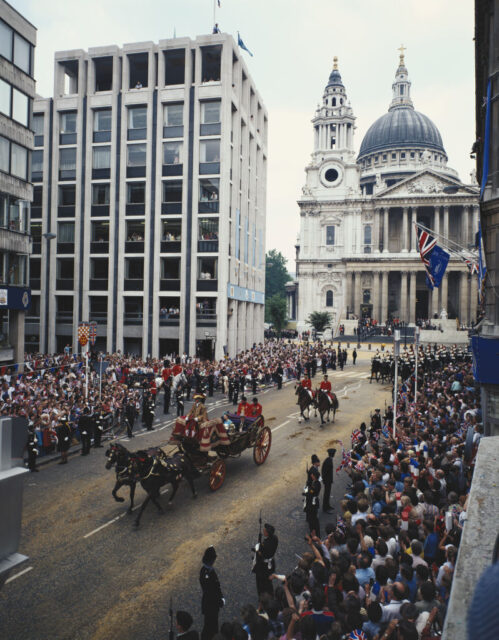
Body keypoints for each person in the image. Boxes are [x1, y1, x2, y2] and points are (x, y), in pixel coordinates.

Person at [200, 546, 224, 640]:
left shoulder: (208, 570)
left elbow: (216, 586)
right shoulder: (206, 574)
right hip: (210, 605)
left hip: (211, 604)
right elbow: (211, 593)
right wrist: (220, 601)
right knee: (210, 626)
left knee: (212, 624)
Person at [252, 523, 278, 596]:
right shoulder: (275, 538)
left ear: (267, 533)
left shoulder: (265, 544)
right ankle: (271, 593)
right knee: (268, 581)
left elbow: (261, 554)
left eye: (264, 531)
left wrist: (257, 550)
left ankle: (264, 597)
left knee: (262, 583)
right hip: (271, 563)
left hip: (264, 566)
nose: (263, 531)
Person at [321, 448, 336, 513]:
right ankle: (325, 508)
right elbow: (324, 472)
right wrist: (324, 480)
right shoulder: (328, 461)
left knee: (328, 494)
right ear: (333, 454)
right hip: (327, 481)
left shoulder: (328, 460)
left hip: (328, 480)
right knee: (326, 494)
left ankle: (327, 505)